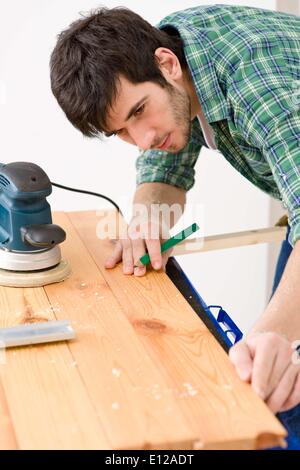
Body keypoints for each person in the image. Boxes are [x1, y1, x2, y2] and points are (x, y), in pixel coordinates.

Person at [50, 4, 300, 441]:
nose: (142, 139)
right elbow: (164, 163)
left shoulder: (255, 80)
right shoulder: (170, 57)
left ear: (166, 64)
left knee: (270, 370)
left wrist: (271, 336)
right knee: (277, 384)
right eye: (121, 132)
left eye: (138, 112)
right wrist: (148, 218)